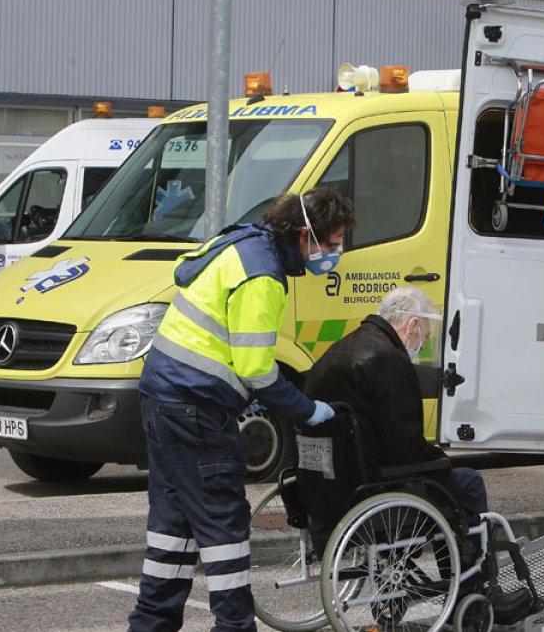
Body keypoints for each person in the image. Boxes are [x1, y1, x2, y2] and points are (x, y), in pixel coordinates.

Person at [128, 187, 356, 632]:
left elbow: (186, 277)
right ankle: (235, 627)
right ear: (305, 233)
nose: (334, 252)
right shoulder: (264, 275)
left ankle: (151, 623)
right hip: (196, 406)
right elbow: (257, 369)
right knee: (223, 524)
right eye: (331, 242)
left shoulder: (241, 242)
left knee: (173, 524)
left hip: (162, 394)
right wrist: (307, 410)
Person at [304, 286, 488, 517]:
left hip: (325, 486)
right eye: (425, 336)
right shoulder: (388, 360)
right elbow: (405, 446)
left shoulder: (337, 350)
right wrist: (441, 461)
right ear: (412, 325)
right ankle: (468, 553)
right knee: (468, 482)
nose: (421, 345)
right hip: (371, 487)